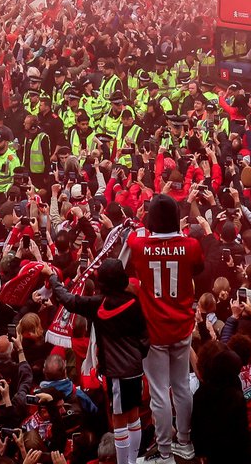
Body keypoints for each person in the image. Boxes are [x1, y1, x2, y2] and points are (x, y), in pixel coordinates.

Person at [44, 258, 147, 464]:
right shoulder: (134, 302)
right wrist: (138, 356)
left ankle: (126, 463)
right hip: (135, 368)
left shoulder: (98, 304)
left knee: (119, 420)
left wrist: (53, 278)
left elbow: (68, 299)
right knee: (134, 416)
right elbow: (144, 336)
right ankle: (133, 460)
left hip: (117, 373)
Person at [127, 193, 203, 461]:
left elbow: (127, 263)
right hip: (181, 326)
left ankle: (164, 450)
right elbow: (198, 269)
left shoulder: (137, 245)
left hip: (153, 330)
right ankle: (184, 440)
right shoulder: (191, 244)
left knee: (159, 391)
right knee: (181, 385)